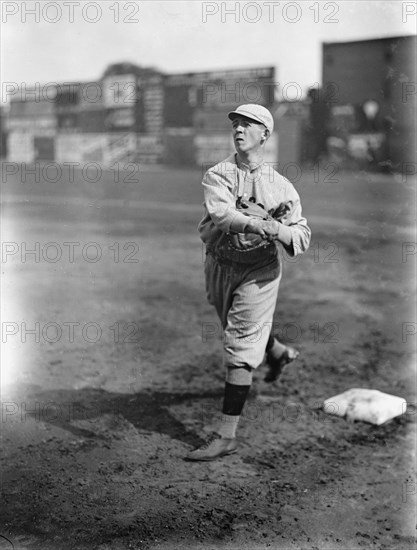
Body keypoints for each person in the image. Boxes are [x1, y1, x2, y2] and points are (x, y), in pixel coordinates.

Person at [186, 104, 311, 461]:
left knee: (239, 346)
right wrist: (260, 223)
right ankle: (279, 352)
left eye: (247, 125)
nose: (239, 130)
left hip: (259, 271)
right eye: (236, 124)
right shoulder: (218, 174)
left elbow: (301, 236)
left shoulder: (281, 187)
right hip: (220, 265)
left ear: (265, 135)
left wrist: (280, 228)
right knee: (236, 326)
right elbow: (223, 214)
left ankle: (226, 435)